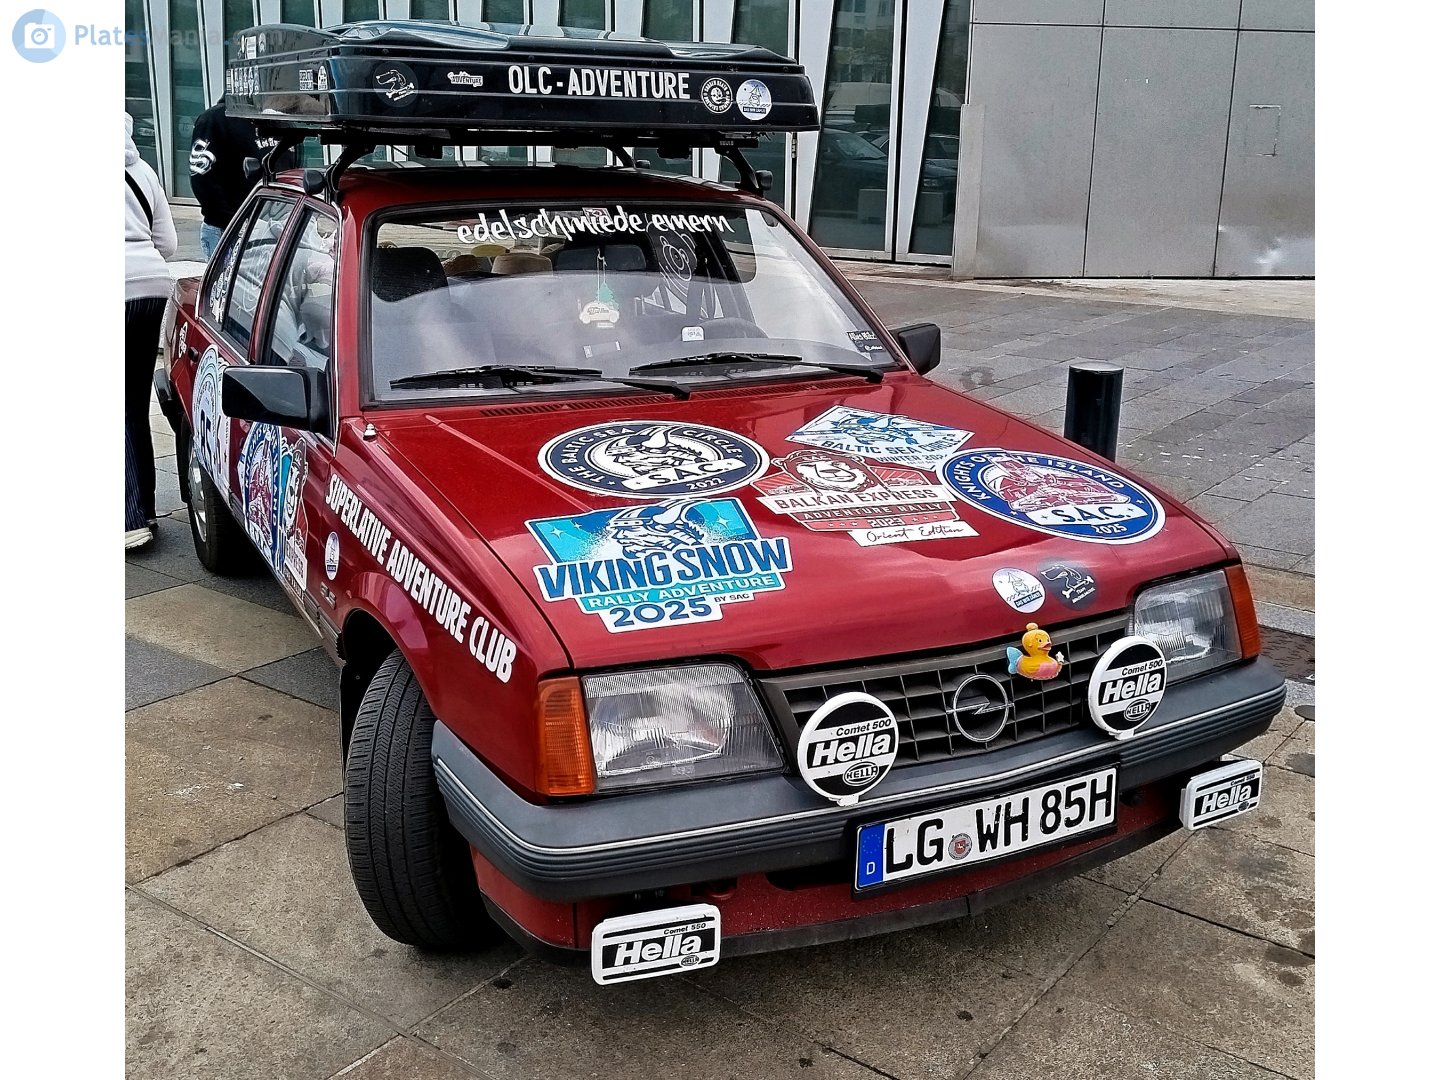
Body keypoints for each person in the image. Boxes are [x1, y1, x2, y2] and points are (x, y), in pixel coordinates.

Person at [126, 113, 177, 550]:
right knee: (133, 403)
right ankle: (144, 507)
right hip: (150, 285)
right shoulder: (142, 169)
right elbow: (169, 244)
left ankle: (128, 519)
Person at [189, 98, 279, 258]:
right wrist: (232, 221)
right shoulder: (215, 119)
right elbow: (202, 177)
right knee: (228, 275)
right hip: (227, 228)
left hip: (274, 224)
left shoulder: (277, 117)